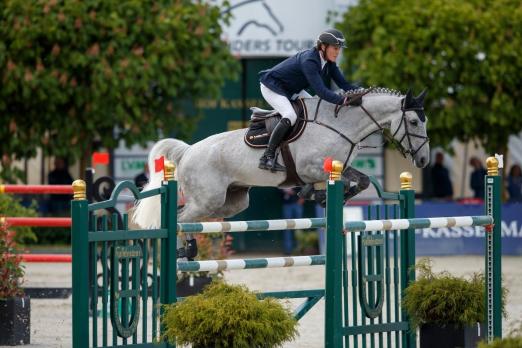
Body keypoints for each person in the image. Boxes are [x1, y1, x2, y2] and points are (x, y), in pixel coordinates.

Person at [258, 29, 361, 172]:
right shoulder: (310, 60)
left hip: (292, 88)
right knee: (290, 115)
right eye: (335, 48)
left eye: (339, 49)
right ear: (323, 47)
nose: (338, 52)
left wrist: (363, 93)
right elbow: (322, 92)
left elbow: (345, 85)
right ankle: (267, 157)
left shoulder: (328, 62)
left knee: (316, 110)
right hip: (273, 86)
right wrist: (344, 101)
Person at [281, 187, 304, 255]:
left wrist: (302, 199)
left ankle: (299, 249)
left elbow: (304, 188)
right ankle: (288, 250)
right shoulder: (283, 179)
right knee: (287, 227)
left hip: (297, 204)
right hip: (287, 204)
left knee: (299, 227)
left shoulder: (297, 178)